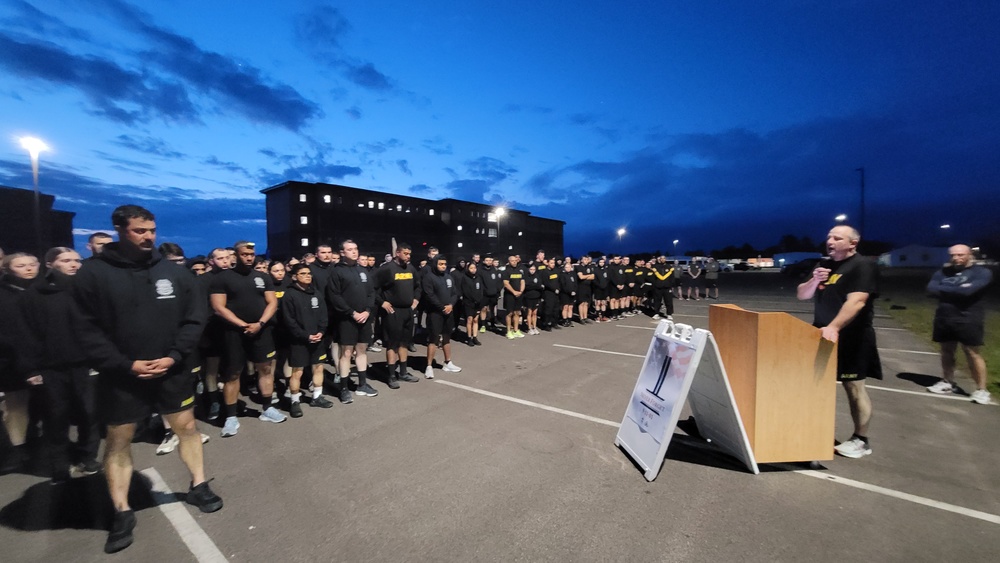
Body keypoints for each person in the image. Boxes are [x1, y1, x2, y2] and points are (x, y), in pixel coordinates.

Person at [73, 205, 221, 553]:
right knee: (119, 439)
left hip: (173, 368)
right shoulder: (92, 274)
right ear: (119, 230)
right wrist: (125, 364)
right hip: (123, 374)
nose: (148, 236)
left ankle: (199, 484)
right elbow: (84, 329)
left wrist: (174, 355)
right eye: (140, 230)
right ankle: (122, 511)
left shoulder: (174, 273)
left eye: (152, 230)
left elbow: (195, 317)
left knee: (186, 427)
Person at [797, 225, 881, 459]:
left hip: (852, 337)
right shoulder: (824, 265)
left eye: (837, 238)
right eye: (828, 237)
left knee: (854, 387)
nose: (830, 241)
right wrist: (814, 281)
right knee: (816, 383)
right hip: (821, 333)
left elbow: (857, 302)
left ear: (853, 243)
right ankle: (815, 429)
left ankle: (861, 440)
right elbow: (802, 294)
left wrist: (834, 327)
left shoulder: (863, 266)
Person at [19, 247, 101, 481]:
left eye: (77, 260)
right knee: (56, 416)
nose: (74, 264)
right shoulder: (34, 294)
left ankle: (88, 456)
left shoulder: (87, 290)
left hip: (86, 363)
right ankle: (59, 464)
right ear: (50, 264)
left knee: (90, 413)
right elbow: (25, 334)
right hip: (51, 366)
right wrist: (31, 369)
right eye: (66, 260)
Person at [210, 240, 285, 437]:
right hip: (234, 333)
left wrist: (260, 323)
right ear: (235, 256)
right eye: (244, 254)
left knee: (266, 368)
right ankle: (231, 417)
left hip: (261, 330)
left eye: (251, 254)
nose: (249, 257)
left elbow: (272, 303)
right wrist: (242, 324)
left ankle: (267, 408)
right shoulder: (223, 278)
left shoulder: (262, 277)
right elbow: (218, 307)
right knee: (233, 373)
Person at [925, 245, 993, 404]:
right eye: (953, 255)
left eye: (960, 255)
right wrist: (957, 288)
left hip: (968, 317)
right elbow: (930, 289)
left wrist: (944, 289)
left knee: (972, 353)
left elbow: (968, 292)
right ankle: (948, 382)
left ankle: (982, 390)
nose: (956, 258)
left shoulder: (982, 272)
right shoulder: (942, 272)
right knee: (946, 350)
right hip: (944, 317)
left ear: (970, 255)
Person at [0, 252, 41, 473]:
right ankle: (18, 450)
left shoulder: (43, 289)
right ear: (7, 269)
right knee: (17, 407)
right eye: (21, 265)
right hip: (12, 360)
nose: (28, 268)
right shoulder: (4, 295)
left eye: (32, 264)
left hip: (46, 358)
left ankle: (37, 441)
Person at [327, 240, 379, 402]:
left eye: (355, 249)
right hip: (347, 320)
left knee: (362, 351)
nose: (354, 252)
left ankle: (362, 384)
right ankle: (343, 388)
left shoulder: (362, 271)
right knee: (346, 354)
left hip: (364, 318)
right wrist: (352, 313)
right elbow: (334, 296)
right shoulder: (336, 272)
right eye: (350, 250)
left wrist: (367, 311)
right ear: (342, 253)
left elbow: (371, 293)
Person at [280, 264, 334, 416]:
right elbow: (289, 320)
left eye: (309, 273)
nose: (307, 276)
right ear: (295, 276)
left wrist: (321, 332)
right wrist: (305, 335)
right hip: (299, 341)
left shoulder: (316, 293)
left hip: (318, 339)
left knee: (318, 367)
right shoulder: (289, 295)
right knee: (297, 372)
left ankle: (317, 397)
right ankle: (295, 401)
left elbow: (324, 316)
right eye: (303, 273)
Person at [372, 243, 422, 387]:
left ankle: (404, 372)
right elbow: (373, 288)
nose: (408, 256)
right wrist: (382, 303)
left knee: (404, 342)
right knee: (392, 344)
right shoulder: (386, 269)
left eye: (409, 254)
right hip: (393, 311)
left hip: (407, 310)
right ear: (397, 253)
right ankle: (392, 375)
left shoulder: (411, 268)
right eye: (405, 253)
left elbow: (418, 286)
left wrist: (416, 300)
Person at [422, 255, 462, 378]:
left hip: (448, 313)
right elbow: (429, 295)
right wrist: (442, 307)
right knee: (433, 339)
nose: (443, 266)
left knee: (447, 337)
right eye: (440, 264)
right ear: (435, 264)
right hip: (435, 313)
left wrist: (450, 305)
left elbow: (455, 293)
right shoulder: (428, 277)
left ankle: (448, 362)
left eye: (445, 264)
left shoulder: (449, 277)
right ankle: (429, 366)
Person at [501, 253, 526, 338]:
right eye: (512, 261)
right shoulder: (506, 271)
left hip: (519, 295)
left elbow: (522, 281)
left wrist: (521, 291)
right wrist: (514, 292)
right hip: (510, 295)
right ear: (509, 262)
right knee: (509, 313)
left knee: (517, 313)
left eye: (515, 261)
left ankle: (516, 330)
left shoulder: (520, 271)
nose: (514, 262)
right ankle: (508, 331)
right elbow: (506, 283)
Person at [460, 261, 484, 345]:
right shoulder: (465, 278)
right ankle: (469, 337)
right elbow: (466, 291)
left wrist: (479, 300)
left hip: (478, 303)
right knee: (469, 319)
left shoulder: (478, 278)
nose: (473, 270)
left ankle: (475, 337)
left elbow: (481, 289)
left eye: (474, 268)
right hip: (469, 302)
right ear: (468, 269)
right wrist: (473, 299)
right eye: (471, 268)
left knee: (475, 319)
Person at [523, 263, 544, 335]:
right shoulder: (526, 277)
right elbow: (527, 286)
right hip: (528, 297)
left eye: (534, 269)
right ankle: (529, 328)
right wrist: (535, 286)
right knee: (529, 312)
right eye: (531, 269)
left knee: (535, 313)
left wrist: (534, 286)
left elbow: (540, 286)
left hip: (536, 296)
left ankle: (534, 327)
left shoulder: (538, 276)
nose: (532, 271)